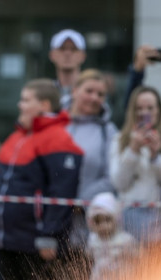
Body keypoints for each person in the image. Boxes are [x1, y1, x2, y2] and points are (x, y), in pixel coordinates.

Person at [0, 79, 83, 280]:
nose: (20, 104)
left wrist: (50, 235)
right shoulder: (17, 137)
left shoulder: (57, 139)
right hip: (9, 239)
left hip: (35, 241)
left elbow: (61, 193)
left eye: (26, 99)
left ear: (44, 105)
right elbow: (0, 189)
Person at [109, 85, 161, 246]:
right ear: (132, 111)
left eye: (150, 108)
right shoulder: (120, 139)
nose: (144, 113)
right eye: (139, 108)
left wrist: (156, 157)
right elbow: (119, 183)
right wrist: (133, 150)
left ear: (159, 110)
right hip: (127, 222)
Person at [66, 69, 119, 259]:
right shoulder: (57, 125)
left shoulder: (109, 131)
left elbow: (112, 177)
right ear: (75, 91)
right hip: (52, 227)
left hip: (90, 231)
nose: (94, 98)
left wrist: (80, 202)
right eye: (89, 91)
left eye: (100, 94)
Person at [85, 192, 137, 280]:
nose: (103, 226)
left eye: (107, 220)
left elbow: (137, 257)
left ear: (116, 218)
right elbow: (89, 255)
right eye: (98, 222)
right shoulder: (93, 240)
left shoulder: (125, 240)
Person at [49, 29, 87, 109]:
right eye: (62, 49)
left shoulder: (92, 93)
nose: (67, 53)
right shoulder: (45, 92)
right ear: (52, 55)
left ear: (83, 56)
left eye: (73, 49)